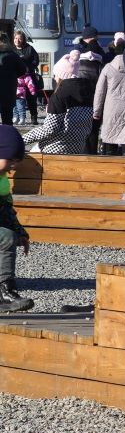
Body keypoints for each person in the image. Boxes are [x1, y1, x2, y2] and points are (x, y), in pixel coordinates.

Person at [0, 124, 32, 312]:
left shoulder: (2, 181)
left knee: (7, 236)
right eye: (10, 159)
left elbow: (6, 210)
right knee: (4, 237)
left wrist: (20, 231)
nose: (13, 165)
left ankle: (5, 290)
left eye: (17, 161)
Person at [93, 47, 125, 158]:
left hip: (111, 108)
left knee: (110, 138)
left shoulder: (108, 68)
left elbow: (100, 92)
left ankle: (110, 168)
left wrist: (97, 112)